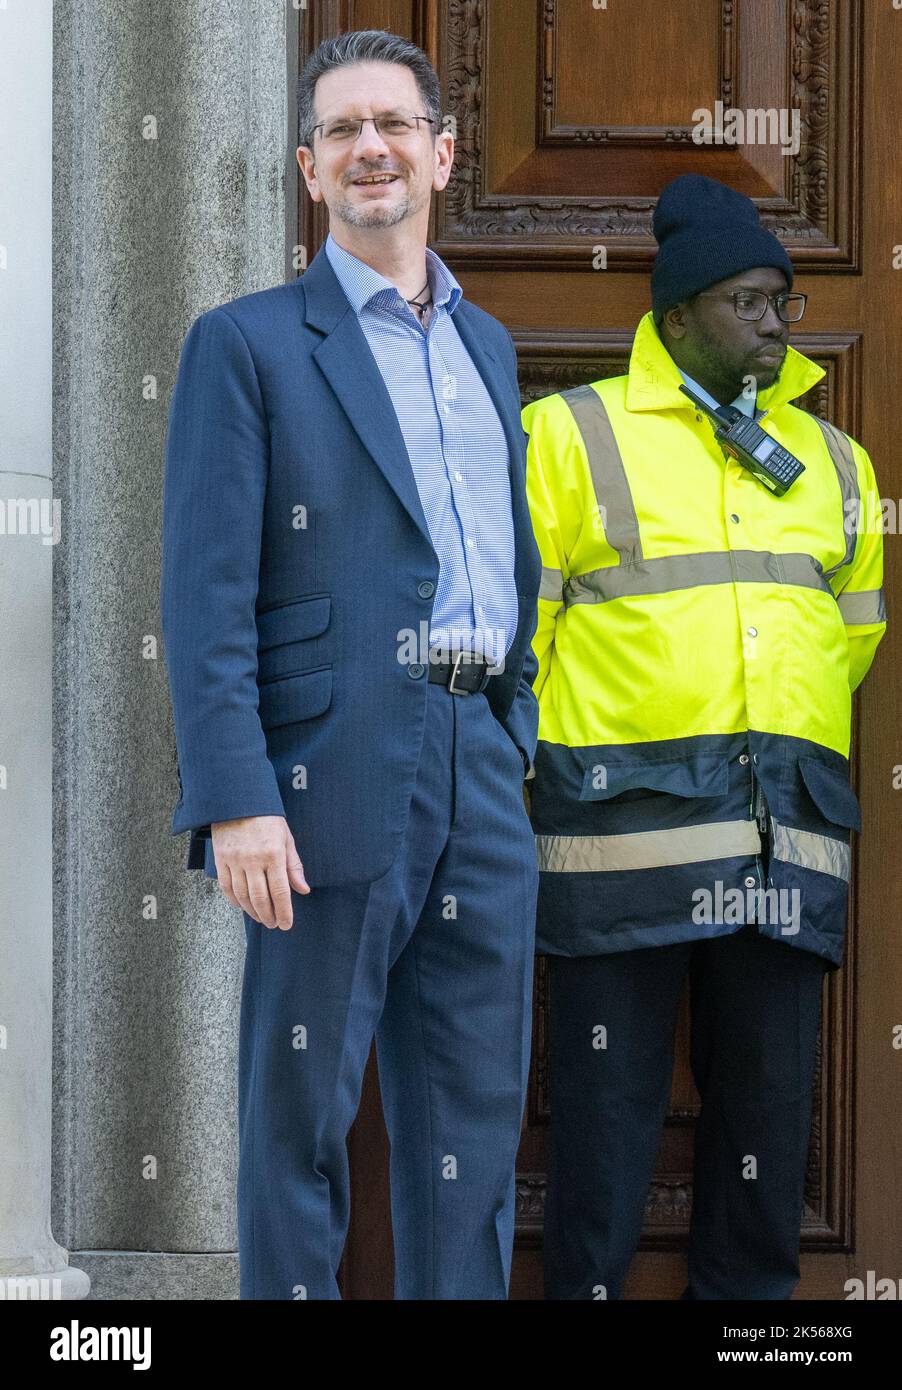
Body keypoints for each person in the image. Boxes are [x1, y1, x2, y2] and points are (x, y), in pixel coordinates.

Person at [160, 28, 542, 1300]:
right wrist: (235, 794)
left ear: (440, 152)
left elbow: (501, 559)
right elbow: (205, 589)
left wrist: (512, 729)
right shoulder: (250, 344)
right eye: (340, 132)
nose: (369, 148)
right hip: (323, 780)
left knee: (469, 1136)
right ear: (310, 173)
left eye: (392, 125)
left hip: (477, 766)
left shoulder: (486, 347)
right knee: (298, 1122)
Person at [522, 173, 886, 1300]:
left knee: (764, 1138)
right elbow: (509, 647)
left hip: (783, 852)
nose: (776, 325)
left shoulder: (833, 464)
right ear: (674, 313)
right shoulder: (565, 436)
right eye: (747, 302)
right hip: (614, 853)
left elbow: (853, 632)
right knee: (600, 1134)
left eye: (782, 303)